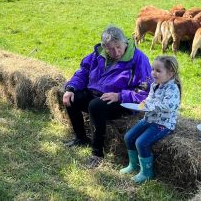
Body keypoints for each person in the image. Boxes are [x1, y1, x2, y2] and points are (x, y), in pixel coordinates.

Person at [62, 26, 152, 168]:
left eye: (118, 47)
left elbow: (145, 91)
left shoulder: (139, 59)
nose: (115, 52)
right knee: (72, 98)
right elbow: (83, 72)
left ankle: (97, 154)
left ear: (125, 42)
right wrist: (71, 88)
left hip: (122, 102)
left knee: (96, 106)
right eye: (110, 49)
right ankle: (81, 138)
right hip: (96, 93)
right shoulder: (98, 54)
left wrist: (119, 96)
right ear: (104, 47)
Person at [120, 55, 181, 184]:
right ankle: (134, 165)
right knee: (128, 137)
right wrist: (143, 103)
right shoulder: (155, 84)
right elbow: (149, 99)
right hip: (149, 118)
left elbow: (169, 106)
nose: (153, 73)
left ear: (170, 73)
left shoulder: (172, 89)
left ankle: (147, 172)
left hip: (163, 123)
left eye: (158, 71)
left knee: (141, 143)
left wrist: (151, 106)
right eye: (153, 69)